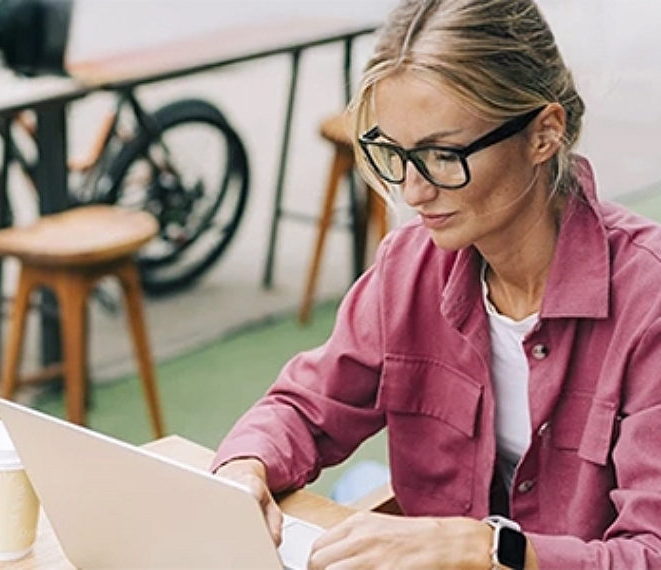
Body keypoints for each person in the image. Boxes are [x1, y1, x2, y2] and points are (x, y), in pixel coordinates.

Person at [211, 0, 661, 567]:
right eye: (395, 154)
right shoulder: (409, 266)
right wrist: (245, 466)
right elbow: (305, 408)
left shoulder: (649, 303)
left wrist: (490, 548)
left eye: (443, 155)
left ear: (544, 133)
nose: (414, 191)